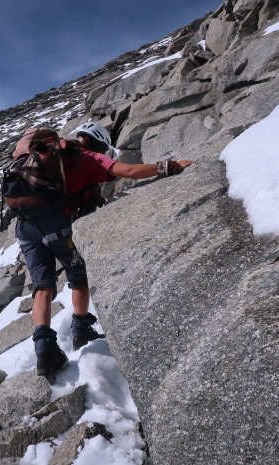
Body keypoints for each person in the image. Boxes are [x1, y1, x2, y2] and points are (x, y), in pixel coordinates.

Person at [11, 124, 192, 376]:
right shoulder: (88, 158)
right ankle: (81, 329)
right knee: (80, 275)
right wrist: (169, 166)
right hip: (57, 225)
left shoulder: (46, 155)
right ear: (98, 144)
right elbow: (128, 170)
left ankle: (45, 351)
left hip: (25, 227)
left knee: (42, 286)